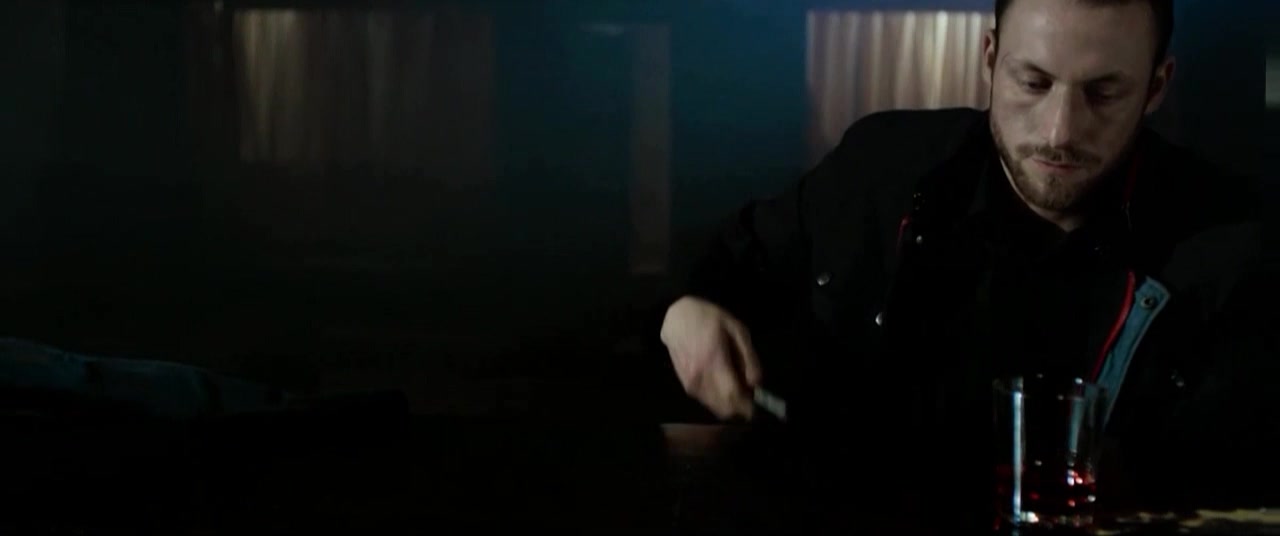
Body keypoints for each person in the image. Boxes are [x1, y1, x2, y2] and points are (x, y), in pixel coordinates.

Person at [659, 0, 1275, 523]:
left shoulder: (1235, 247)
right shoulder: (882, 167)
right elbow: (729, 263)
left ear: (1157, 87)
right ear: (989, 57)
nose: (1059, 131)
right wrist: (689, 308)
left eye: (1103, 93)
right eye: (1033, 82)